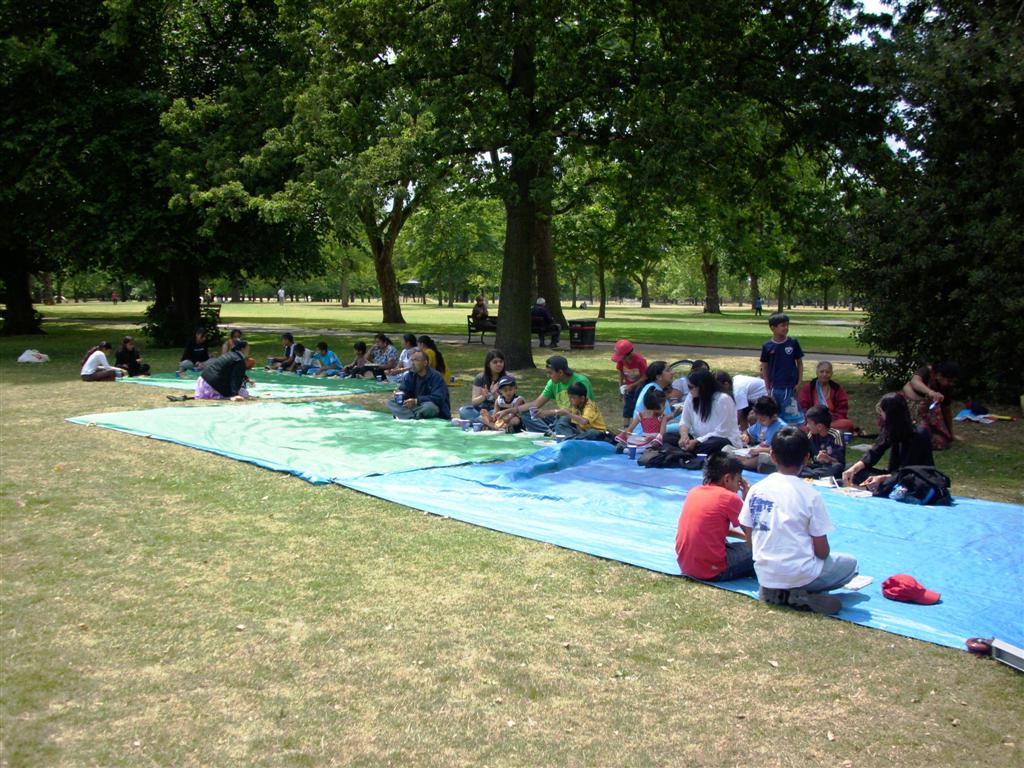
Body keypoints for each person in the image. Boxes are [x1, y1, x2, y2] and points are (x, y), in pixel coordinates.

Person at [740, 427, 858, 614]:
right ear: (806, 458)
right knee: (851, 564)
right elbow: (822, 551)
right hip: (799, 573)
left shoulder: (756, 489)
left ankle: (780, 591)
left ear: (772, 456)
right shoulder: (811, 495)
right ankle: (798, 594)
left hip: (765, 573)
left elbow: (745, 526)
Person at [675, 454, 754, 581]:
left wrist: (744, 537)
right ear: (727, 479)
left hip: (686, 565)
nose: (739, 487)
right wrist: (747, 499)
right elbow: (756, 536)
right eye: (738, 481)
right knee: (767, 549)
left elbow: (711, 530)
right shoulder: (730, 498)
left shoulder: (694, 492)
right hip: (712, 570)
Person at [842, 393, 935, 491]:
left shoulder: (918, 435)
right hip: (893, 474)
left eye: (882, 412)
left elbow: (909, 471)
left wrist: (883, 478)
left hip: (914, 478)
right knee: (851, 469)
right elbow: (875, 452)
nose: (881, 415)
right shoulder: (889, 429)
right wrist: (854, 469)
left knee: (890, 484)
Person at [518, 355, 593, 433]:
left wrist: (549, 412)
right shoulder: (552, 383)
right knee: (527, 414)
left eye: (550, 373)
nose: (548, 376)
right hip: (560, 417)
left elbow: (581, 410)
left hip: (577, 420)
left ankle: (554, 433)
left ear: (560, 372)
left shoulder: (580, 382)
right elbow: (536, 403)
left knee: (564, 419)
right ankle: (550, 432)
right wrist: (512, 410)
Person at [678, 370, 743, 456]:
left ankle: (686, 452)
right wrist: (684, 435)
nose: (689, 391)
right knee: (669, 437)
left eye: (691, 387)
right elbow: (685, 421)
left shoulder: (723, 399)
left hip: (721, 439)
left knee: (715, 444)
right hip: (697, 439)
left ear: (702, 387)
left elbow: (722, 431)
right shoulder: (691, 397)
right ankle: (689, 452)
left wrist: (697, 441)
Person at [902, 361, 959, 449]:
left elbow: (947, 410)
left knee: (940, 441)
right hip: (909, 409)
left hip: (925, 417)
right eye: (949, 380)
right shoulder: (926, 372)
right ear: (939, 375)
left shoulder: (945, 388)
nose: (951, 384)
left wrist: (950, 433)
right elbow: (914, 381)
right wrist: (930, 393)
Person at [759, 313, 804, 425]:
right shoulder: (767, 346)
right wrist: (767, 385)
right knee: (775, 414)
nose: (786, 328)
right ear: (773, 328)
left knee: (791, 414)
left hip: (790, 386)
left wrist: (799, 382)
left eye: (787, 325)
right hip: (775, 386)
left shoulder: (792, 343)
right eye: (783, 325)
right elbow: (764, 366)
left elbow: (799, 363)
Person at [387, 350, 451, 420]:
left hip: (432, 407)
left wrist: (416, 401)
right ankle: (414, 416)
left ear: (425, 363)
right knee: (390, 402)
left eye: (416, 360)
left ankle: (408, 416)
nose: (412, 363)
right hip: (415, 406)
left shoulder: (436, 376)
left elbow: (438, 398)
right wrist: (400, 394)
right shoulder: (410, 375)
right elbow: (405, 392)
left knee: (430, 407)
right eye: (411, 360)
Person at [796, 361, 855, 432]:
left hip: (831, 422)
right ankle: (820, 430)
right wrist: (812, 420)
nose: (824, 374)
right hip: (812, 422)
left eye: (827, 372)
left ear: (831, 374)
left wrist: (827, 420)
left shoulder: (837, 389)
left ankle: (818, 430)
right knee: (800, 426)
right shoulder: (808, 388)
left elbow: (842, 411)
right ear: (817, 373)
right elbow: (802, 408)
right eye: (822, 372)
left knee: (848, 424)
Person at [737, 396, 787, 473]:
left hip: (771, 457)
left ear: (773, 416)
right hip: (754, 452)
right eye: (758, 419)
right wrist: (745, 436)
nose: (760, 422)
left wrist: (760, 450)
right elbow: (747, 432)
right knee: (729, 450)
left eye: (763, 420)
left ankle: (742, 464)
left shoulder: (782, 428)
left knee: (760, 458)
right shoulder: (759, 424)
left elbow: (780, 450)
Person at [460, 350, 506, 422]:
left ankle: (479, 421)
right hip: (480, 410)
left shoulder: (507, 378)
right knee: (463, 410)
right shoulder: (480, 378)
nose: (499, 364)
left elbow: (507, 403)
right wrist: (484, 396)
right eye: (495, 362)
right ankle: (485, 421)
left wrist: (494, 394)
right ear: (488, 364)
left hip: (496, 409)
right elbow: (474, 402)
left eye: (501, 361)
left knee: (498, 414)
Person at [802, 405, 845, 479]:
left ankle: (811, 475)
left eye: (809, 423)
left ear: (819, 426)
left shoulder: (836, 435)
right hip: (816, 467)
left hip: (830, 467)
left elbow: (839, 462)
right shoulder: (810, 435)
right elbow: (806, 456)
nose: (807, 426)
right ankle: (814, 475)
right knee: (800, 467)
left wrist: (828, 458)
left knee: (837, 468)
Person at [612, 339, 648, 428]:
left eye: (622, 356)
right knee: (627, 408)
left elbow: (645, 377)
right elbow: (620, 373)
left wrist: (632, 385)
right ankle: (626, 428)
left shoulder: (640, 360)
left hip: (640, 388)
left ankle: (636, 428)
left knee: (638, 407)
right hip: (629, 388)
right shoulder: (621, 360)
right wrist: (620, 388)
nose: (621, 359)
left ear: (628, 354)